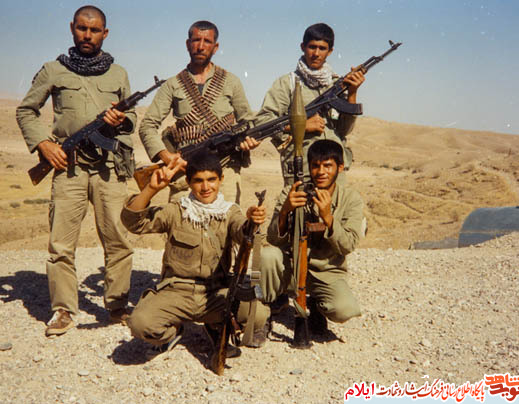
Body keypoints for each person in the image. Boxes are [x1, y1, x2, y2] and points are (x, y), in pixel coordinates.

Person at [16, 5, 136, 336]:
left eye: (94, 30)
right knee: (61, 244)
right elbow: (26, 111)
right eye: (82, 28)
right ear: (72, 28)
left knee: (118, 239)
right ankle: (63, 310)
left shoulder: (118, 73)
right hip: (68, 166)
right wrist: (44, 144)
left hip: (108, 168)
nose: (87, 35)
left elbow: (132, 118)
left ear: (105, 34)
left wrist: (120, 119)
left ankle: (117, 306)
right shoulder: (53, 70)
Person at [120, 152, 271, 359]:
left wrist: (252, 221)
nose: (206, 187)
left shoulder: (229, 212)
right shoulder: (177, 211)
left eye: (211, 179)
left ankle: (215, 325)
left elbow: (242, 231)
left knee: (258, 315)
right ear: (189, 183)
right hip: (176, 291)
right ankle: (172, 333)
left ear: (221, 179)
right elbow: (134, 223)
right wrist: (151, 189)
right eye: (198, 181)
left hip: (214, 293)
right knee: (140, 324)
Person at [139, 20, 259, 204]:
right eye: (196, 40)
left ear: (215, 47)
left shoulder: (231, 82)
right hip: (186, 172)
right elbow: (147, 125)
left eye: (207, 41)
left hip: (224, 171)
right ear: (188, 44)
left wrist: (249, 140)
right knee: (181, 220)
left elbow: (248, 122)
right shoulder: (173, 84)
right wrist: (166, 156)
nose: (201, 46)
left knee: (226, 220)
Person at [260, 139, 364, 337]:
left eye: (328, 166)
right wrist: (285, 211)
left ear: (340, 167)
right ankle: (264, 313)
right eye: (316, 165)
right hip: (291, 268)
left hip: (326, 271)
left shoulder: (351, 199)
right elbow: (273, 239)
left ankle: (317, 305)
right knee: (268, 256)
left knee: (345, 309)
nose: (321, 172)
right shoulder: (291, 192)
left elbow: (348, 245)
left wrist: (328, 218)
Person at [255, 23, 365, 186]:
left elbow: (344, 130)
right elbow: (263, 121)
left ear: (330, 51)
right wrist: (302, 125)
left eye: (322, 48)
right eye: (312, 47)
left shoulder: (336, 84)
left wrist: (352, 93)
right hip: (302, 168)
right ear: (303, 47)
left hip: (333, 171)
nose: (316, 53)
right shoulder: (287, 83)